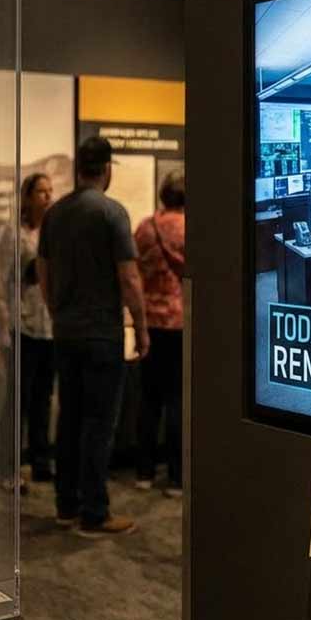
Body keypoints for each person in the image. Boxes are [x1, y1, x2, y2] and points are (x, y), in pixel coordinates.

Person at [38, 136, 147, 537]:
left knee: (69, 419)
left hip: (66, 332)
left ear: (79, 168)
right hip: (102, 334)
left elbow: (43, 271)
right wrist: (142, 326)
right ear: (107, 169)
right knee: (99, 425)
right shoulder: (111, 212)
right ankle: (94, 513)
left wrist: (56, 311)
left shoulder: (55, 214)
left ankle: (66, 506)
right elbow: (129, 277)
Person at [133, 172, 186, 497]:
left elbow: (135, 269)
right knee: (177, 398)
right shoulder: (191, 227)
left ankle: (144, 472)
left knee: (149, 398)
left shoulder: (145, 227)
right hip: (181, 322)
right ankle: (177, 477)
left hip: (150, 321)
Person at [10, 173, 55, 484]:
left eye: (50, 191)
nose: (47, 197)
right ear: (28, 196)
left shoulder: (52, 233)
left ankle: (41, 460)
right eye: (41, 192)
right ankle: (11, 463)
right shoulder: (15, 235)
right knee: (20, 399)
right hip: (23, 325)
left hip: (49, 326)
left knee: (44, 397)